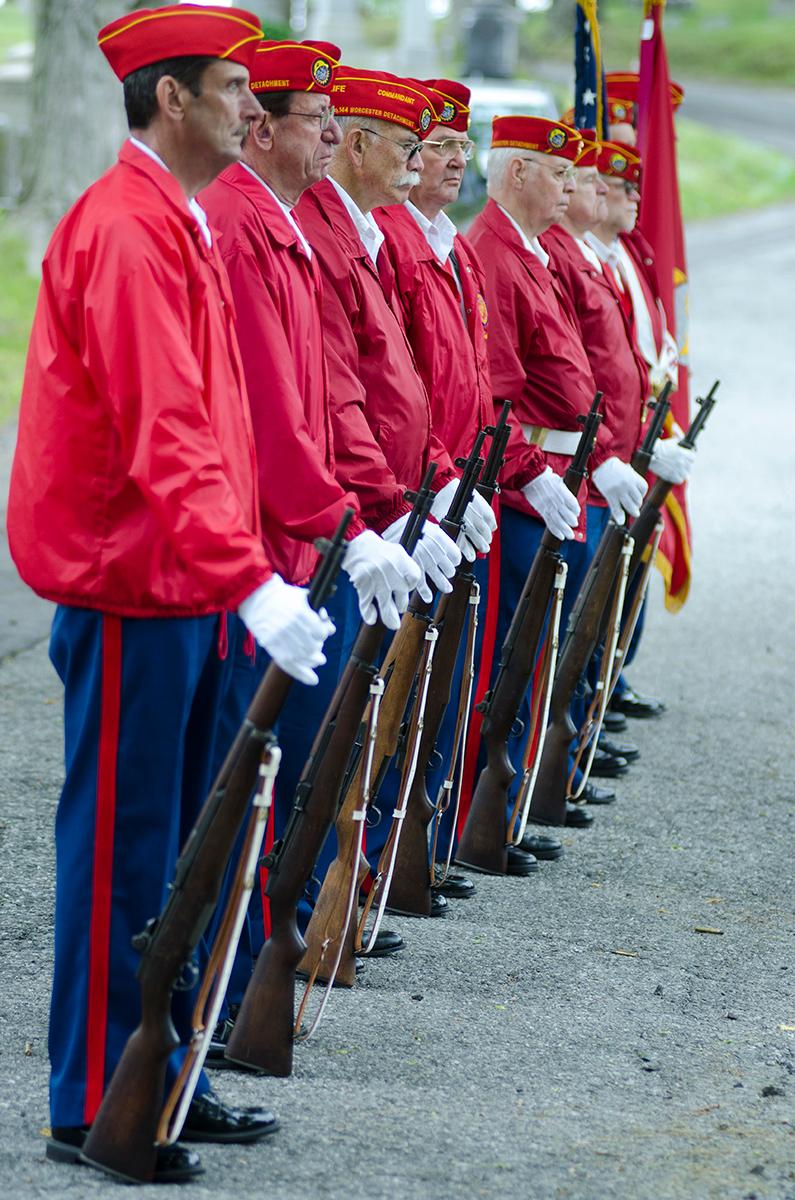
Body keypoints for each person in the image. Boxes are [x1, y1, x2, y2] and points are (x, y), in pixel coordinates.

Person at [7, 6, 335, 1181]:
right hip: (136, 590)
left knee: (190, 851)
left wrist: (240, 573)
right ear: (170, 99)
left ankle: (169, 1077)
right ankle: (96, 1098)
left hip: (182, 587)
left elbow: (214, 426)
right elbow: (168, 428)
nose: (253, 108)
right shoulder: (130, 227)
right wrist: (249, 577)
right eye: (234, 88)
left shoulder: (173, 218)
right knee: (125, 855)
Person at [198, 39, 423, 1037]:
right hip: (260, 553)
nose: (332, 135)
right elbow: (271, 412)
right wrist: (349, 519)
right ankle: (202, 1008)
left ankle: (228, 994)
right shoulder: (244, 225)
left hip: (299, 541)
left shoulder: (275, 224)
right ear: (260, 129)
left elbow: (333, 393)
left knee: (274, 785)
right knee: (230, 794)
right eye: (314, 119)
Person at [296, 68, 494, 880]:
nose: (426, 162)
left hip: (403, 500)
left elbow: (411, 384)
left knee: (397, 711)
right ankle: (321, 897)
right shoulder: (335, 236)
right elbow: (340, 397)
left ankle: (357, 880)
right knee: (332, 737)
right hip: (353, 514)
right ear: (359, 143)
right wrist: (387, 506)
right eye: (415, 146)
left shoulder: (367, 237)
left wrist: (442, 478)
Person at [374, 80, 560, 875]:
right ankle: (375, 866)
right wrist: (436, 481)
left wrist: (508, 469)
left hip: (460, 492)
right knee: (398, 696)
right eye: (436, 145)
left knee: (446, 689)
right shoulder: (393, 242)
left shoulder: (447, 247)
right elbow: (393, 392)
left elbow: (479, 388)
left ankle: (421, 850)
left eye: (459, 145)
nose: (453, 159)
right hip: (413, 501)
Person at [468, 115, 650, 824]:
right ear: (518, 173)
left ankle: (516, 804)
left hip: (564, 473)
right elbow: (497, 389)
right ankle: (495, 809)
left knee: (546, 646)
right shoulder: (496, 252)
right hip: (531, 482)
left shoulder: (530, 252)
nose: (573, 186)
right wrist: (537, 470)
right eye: (560, 172)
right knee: (516, 655)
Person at [542, 129, 650, 779]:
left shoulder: (584, 255)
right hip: (568, 463)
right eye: (591, 181)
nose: (609, 195)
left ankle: (580, 730)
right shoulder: (557, 254)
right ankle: (564, 745)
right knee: (564, 623)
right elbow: (565, 372)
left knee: (589, 610)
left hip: (602, 457)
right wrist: (605, 453)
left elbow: (611, 362)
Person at [586, 139, 696, 719]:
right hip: (599, 452)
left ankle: (607, 684)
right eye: (622, 187)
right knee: (591, 592)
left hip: (633, 440)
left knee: (622, 575)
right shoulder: (587, 258)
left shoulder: (626, 255)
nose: (634, 198)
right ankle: (588, 704)